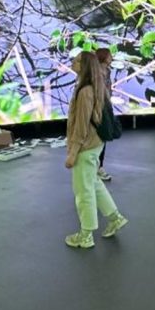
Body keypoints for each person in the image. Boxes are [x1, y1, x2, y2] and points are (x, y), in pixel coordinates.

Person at [64, 51, 128, 249]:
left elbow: (81, 126)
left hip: (85, 146)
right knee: (93, 183)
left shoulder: (85, 92)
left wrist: (73, 152)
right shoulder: (97, 87)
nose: (72, 63)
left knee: (83, 191)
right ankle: (115, 217)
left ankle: (86, 235)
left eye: (76, 61)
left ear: (83, 66)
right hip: (96, 143)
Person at [96, 48, 114, 182]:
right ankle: (96, 168)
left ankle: (100, 166)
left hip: (105, 107)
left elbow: (109, 90)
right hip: (97, 108)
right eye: (110, 55)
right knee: (97, 138)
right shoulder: (95, 73)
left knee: (104, 138)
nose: (112, 57)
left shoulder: (108, 71)